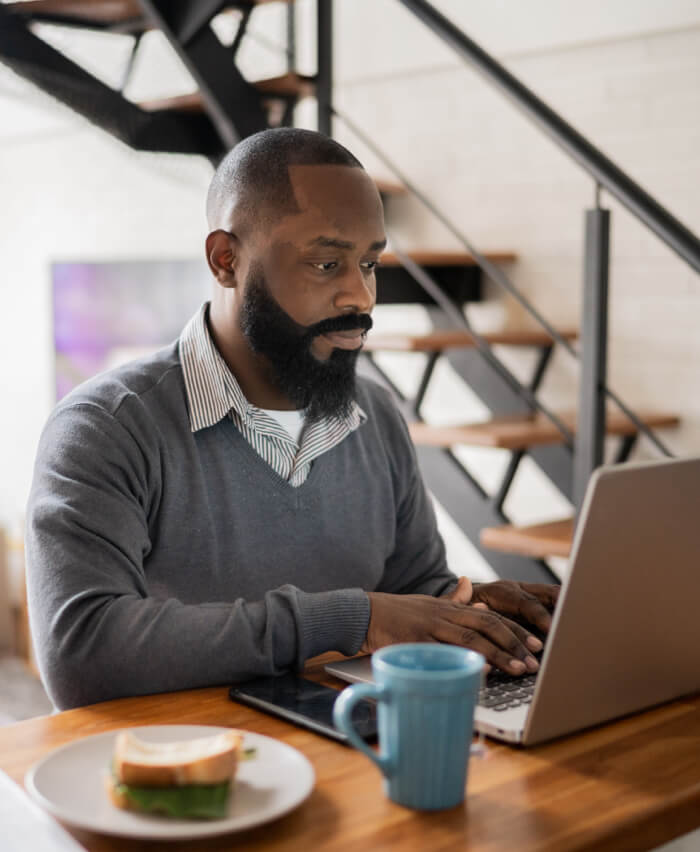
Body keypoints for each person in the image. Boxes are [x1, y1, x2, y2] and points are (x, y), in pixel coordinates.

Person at [26, 128, 558, 711]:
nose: (361, 296)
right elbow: (81, 653)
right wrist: (350, 618)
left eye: (370, 263)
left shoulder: (377, 416)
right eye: (327, 264)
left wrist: (473, 609)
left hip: (346, 743)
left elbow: (412, 588)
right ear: (226, 260)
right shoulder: (106, 427)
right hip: (186, 757)